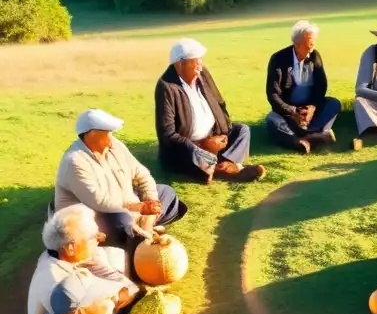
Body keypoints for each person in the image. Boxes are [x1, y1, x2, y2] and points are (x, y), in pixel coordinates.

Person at [55, 109, 187, 249]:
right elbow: (99, 201)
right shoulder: (75, 161)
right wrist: (140, 207)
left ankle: (144, 227)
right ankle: (135, 232)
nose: (111, 136)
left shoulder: (114, 145)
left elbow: (141, 173)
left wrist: (150, 201)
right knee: (120, 219)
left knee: (167, 193)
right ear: (90, 134)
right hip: (96, 213)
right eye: (106, 132)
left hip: (127, 203)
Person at [155, 38, 265, 183]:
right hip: (190, 146)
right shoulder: (166, 87)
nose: (200, 65)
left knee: (242, 130)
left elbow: (220, 103)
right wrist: (202, 145)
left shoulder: (202, 74)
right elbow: (167, 134)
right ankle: (228, 170)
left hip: (213, 137)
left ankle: (220, 166)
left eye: (200, 60)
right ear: (180, 64)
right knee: (193, 153)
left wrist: (222, 134)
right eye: (196, 60)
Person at [27, 204, 137, 314]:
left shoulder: (71, 257)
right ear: (71, 248)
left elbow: (129, 287)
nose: (100, 239)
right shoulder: (55, 282)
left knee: (116, 255)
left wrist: (116, 294)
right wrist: (113, 299)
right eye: (94, 236)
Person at [265, 20, 341, 154]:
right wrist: (293, 111)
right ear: (297, 43)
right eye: (311, 41)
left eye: (314, 41)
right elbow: (273, 95)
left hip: (310, 111)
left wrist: (312, 107)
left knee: (333, 104)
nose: (313, 45)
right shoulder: (278, 59)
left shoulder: (314, 56)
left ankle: (307, 135)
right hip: (288, 112)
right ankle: (311, 138)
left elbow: (321, 86)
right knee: (272, 119)